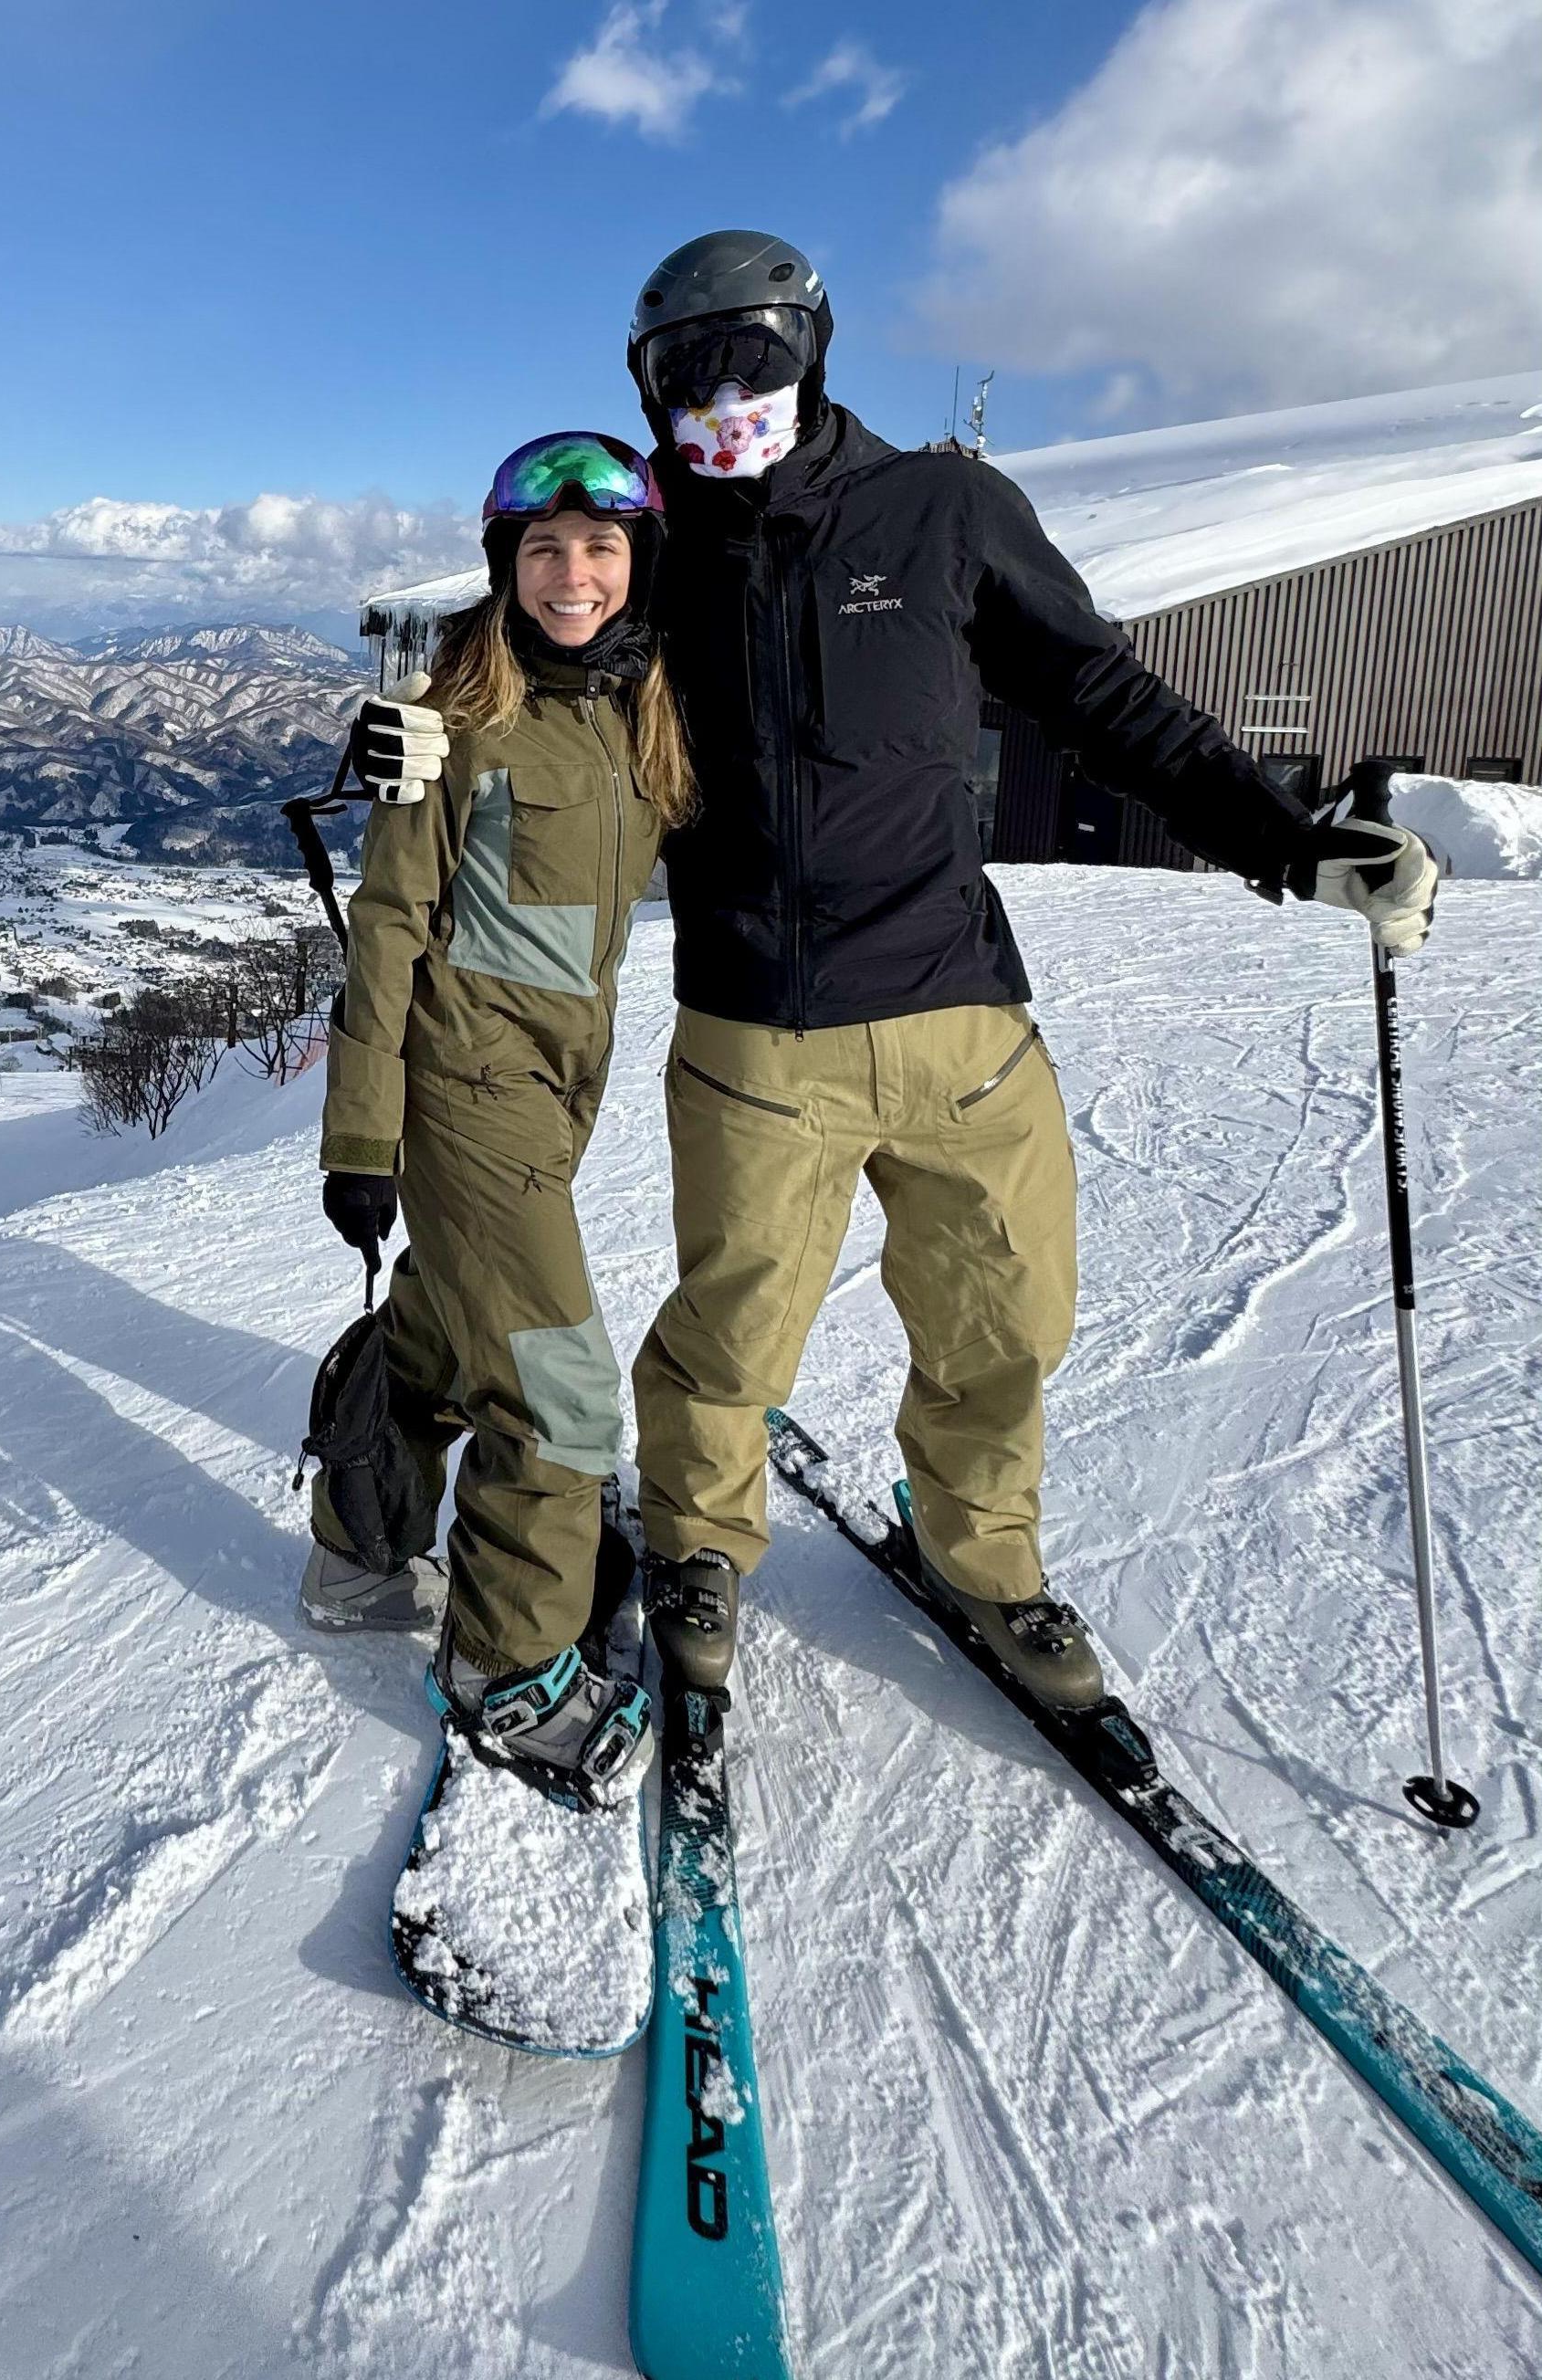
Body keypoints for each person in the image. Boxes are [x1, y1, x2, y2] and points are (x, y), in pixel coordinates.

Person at [350, 234, 1440, 1714]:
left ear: (816, 350)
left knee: (1006, 1319)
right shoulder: (670, 548)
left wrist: (1289, 843)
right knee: (732, 1333)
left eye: (755, 354)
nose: (725, 389)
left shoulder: (944, 509)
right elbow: (543, 621)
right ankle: (695, 1540)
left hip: (957, 1011)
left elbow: (1100, 694)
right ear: (649, 382)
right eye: (688, 368)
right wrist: (396, 736)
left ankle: (983, 1555)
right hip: (756, 1032)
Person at [303, 430, 695, 1807]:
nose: (570, 575)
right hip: (464, 1090)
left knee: (436, 1329)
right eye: (542, 550)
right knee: (557, 1386)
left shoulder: (642, 706)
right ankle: (506, 1665)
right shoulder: (453, 716)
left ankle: (357, 1552)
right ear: (504, 564)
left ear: (638, 564)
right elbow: (391, 928)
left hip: (556, 1083)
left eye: (598, 549)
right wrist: (361, 1140)